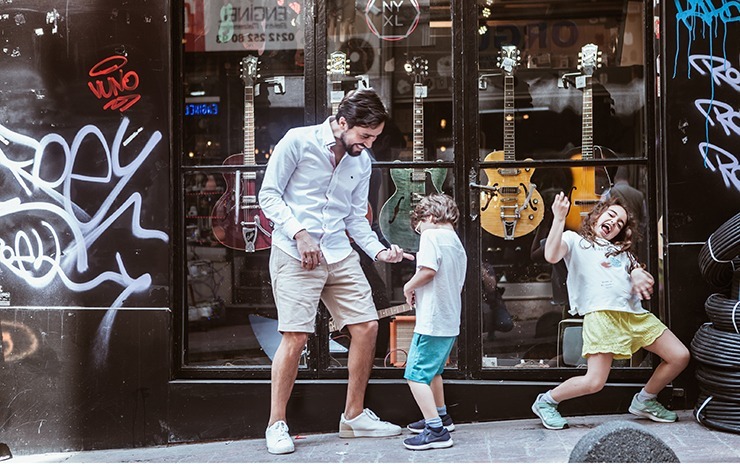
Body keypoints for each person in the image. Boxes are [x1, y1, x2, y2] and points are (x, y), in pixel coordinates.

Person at [258, 88, 414, 454]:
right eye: (364, 136)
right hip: (295, 251)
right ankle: (276, 423)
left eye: (374, 137)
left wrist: (379, 252)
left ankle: (353, 416)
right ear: (342, 122)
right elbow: (269, 195)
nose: (368, 143)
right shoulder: (298, 141)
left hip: (339, 253)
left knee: (367, 326)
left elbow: (356, 218)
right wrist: (299, 234)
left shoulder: (363, 161)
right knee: (295, 337)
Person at [531, 192, 690, 430]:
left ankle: (645, 400)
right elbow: (551, 254)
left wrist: (637, 272)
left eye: (619, 224)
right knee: (594, 382)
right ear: (597, 215)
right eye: (611, 216)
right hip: (602, 316)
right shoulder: (575, 240)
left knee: (679, 356)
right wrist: (559, 217)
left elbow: (634, 268)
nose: (614, 224)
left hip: (635, 316)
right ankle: (546, 402)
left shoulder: (622, 253)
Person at [401, 193, 467, 450]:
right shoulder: (456, 242)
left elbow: (428, 270)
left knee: (415, 375)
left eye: (419, 228)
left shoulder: (431, 235)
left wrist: (408, 286)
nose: (420, 233)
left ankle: (436, 430)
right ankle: (441, 415)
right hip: (449, 319)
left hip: (432, 319)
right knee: (434, 372)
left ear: (428, 217)